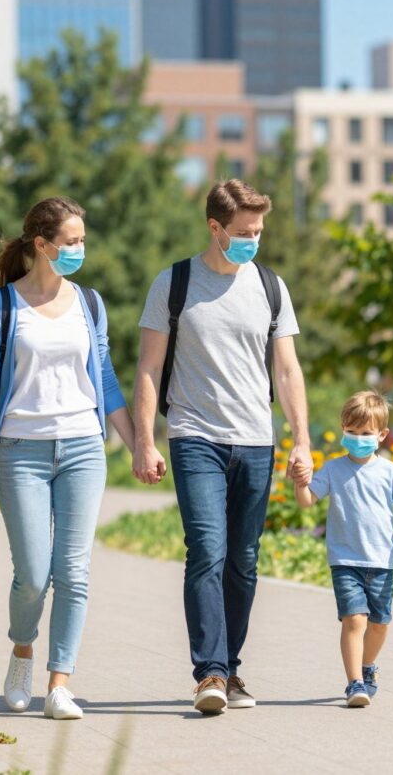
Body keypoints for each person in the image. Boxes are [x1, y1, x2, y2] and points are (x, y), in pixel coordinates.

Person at [133, 179, 312, 714]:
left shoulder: (271, 287)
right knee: (207, 550)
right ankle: (209, 673)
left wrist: (302, 438)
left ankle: (231, 670)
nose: (253, 239)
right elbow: (149, 366)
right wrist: (145, 441)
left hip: (257, 440)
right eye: (242, 231)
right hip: (195, 437)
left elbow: (287, 369)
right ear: (215, 228)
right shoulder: (176, 282)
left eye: (258, 231)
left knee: (244, 561)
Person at [0, 197, 134, 720]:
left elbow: (104, 379)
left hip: (84, 445)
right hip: (22, 450)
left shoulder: (90, 303)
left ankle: (60, 684)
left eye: (83, 240)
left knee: (74, 572)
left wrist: (140, 443)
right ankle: (22, 650)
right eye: (72, 241)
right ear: (42, 245)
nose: (81, 249)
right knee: (34, 575)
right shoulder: (3, 305)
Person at [294, 391, 393, 708]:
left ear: (381, 435)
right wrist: (301, 480)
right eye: (351, 432)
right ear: (343, 429)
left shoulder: (390, 472)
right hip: (345, 560)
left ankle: (368, 668)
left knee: (379, 624)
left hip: (382, 562)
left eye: (365, 433)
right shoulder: (334, 469)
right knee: (355, 621)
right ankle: (355, 683)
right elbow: (307, 501)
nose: (358, 439)